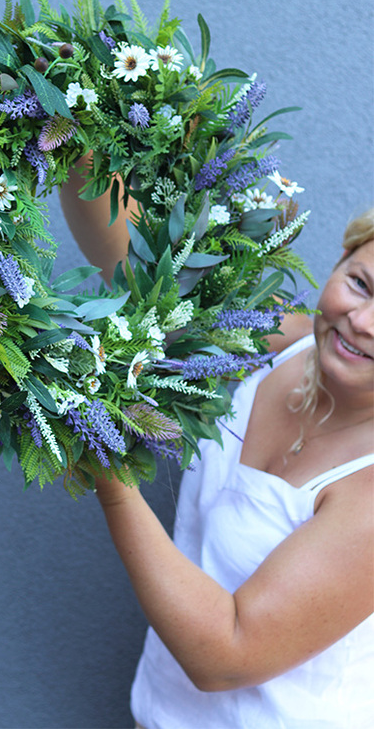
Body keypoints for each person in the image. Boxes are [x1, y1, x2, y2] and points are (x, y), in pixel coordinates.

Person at [60, 171, 374, 728]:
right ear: (338, 262)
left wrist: (110, 475)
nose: (364, 322)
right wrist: (71, 149)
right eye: (362, 285)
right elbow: (144, 275)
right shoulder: (284, 341)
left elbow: (227, 654)